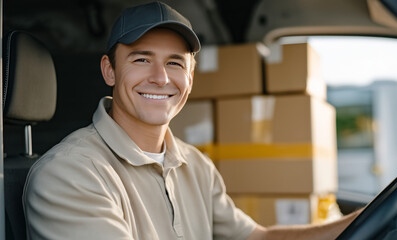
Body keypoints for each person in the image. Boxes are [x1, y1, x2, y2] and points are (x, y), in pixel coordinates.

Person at [23, 1, 360, 239]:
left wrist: (360, 223)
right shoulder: (69, 174)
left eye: (175, 63)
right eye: (141, 59)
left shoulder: (195, 165)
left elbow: (258, 238)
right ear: (109, 70)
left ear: (191, 76)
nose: (160, 78)